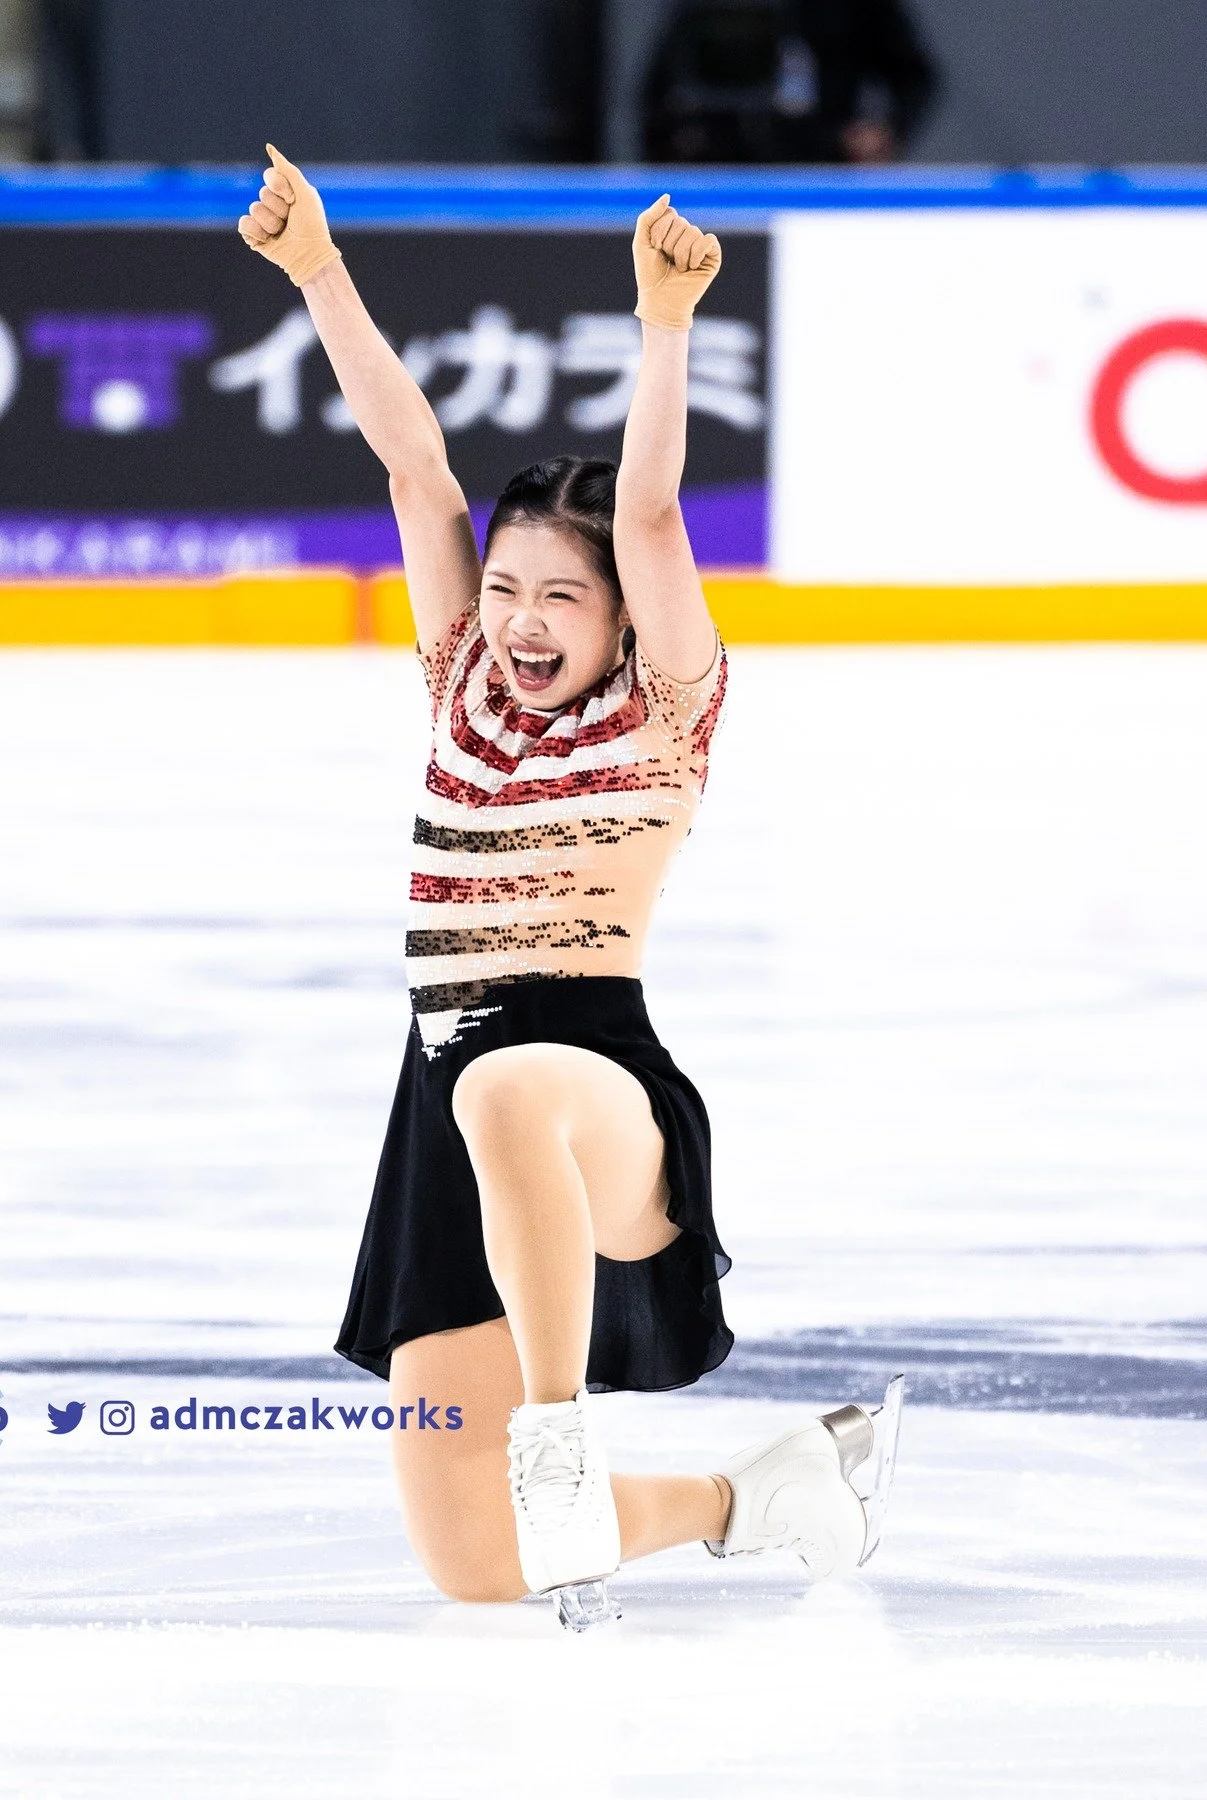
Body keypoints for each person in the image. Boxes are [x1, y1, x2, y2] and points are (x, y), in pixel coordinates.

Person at [237, 149, 902, 1626]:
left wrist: (663, 324)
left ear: (621, 619)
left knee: (505, 1086)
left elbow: (655, 513)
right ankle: (770, 1492)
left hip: (592, 1078)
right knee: (478, 1565)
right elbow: (418, 468)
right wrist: (317, 275)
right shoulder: (462, 682)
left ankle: (557, 1425)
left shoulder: (667, 710)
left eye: (563, 596)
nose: (524, 621)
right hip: (444, 1095)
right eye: (511, 589)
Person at [643, 0, 938, 165]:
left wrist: (884, 130)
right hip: (721, 170)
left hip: (823, 167)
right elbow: (660, 86)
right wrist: (676, 139)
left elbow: (914, 75)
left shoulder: (854, 9)